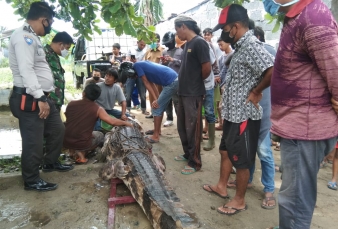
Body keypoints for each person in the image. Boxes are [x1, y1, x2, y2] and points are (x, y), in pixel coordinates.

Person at [262, 0, 338, 228]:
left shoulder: (313, 16)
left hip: (306, 129)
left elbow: (334, 68)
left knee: (295, 200)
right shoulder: (298, 15)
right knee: (295, 193)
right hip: (299, 125)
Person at [203, 4, 274, 215]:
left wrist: (256, 91)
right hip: (232, 114)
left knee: (241, 160)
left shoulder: (251, 45)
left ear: (234, 27)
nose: (224, 33)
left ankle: (239, 200)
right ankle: (222, 186)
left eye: (225, 29)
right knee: (225, 150)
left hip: (243, 115)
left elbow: (272, 70)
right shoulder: (241, 48)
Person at [8, 2, 73, 192]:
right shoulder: (24, 37)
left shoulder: (33, 37)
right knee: (33, 141)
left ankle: (50, 162)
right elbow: (26, 70)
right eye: (50, 22)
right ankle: (31, 179)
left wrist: (45, 97)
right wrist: (40, 98)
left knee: (57, 129)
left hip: (43, 97)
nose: (50, 26)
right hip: (30, 98)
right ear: (44, 20)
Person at [173, 16, 211, 175]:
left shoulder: (200, 43)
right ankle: (187, 153)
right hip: (183, 92)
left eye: (177, 30)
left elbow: (206, 68)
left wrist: (195, 82)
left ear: (183, 26)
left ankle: (195, 162)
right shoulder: (187, 44)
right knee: (182, 126)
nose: (176, 34)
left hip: (193, 93)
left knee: (192, 128)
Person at [64, 84, 132, 164]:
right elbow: (112, 121)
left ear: (83, 93)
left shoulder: (71, 104)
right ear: (97, 97)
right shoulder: (97, 109)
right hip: (82, 143)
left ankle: (71, 152)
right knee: (99, 135)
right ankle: (82, 155)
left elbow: (69, 118)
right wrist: (126, 123)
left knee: (77, 132)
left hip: (66, 140)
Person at [125, 61, 178, 143]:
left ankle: (156, 136)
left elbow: (146, 83)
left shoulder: (136, 66)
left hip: (172, 81)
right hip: (173, 78)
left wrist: (156, 100)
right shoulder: (142, 65)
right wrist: (157, 98)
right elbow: (151, 83)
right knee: (158, 105)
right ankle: (157, 130)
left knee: (156, 108)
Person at [44, 31, 74, 111]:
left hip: (55, 102)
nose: (67, 51)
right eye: (67, 48)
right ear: (61, 44)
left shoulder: (54, 56)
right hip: (47, 101)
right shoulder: (44, 54)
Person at [161, 32, 185, 127]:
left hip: (176, 80)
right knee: (167, 100)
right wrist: (163, 62)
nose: (166, 44)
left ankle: (180, 119)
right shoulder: (164, 52)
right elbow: (162, 66)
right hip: (166, 80)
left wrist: (173, 60)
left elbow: (184, 63)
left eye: (168, 42)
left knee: (177, 101)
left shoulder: (181, 51)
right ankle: (169, 118)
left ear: (172, 41)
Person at [202, 28, 219, 151]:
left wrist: (217, 76)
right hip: (197, 85)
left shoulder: (208, 46)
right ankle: (200, 135)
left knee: (209, 111)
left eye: (208, 34)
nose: (206, 36)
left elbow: (214, 63)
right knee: (199, 111)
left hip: (207, 84)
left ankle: (212, 140)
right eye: (205, 34)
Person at [143, 33, 165, 119]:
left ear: (158, 41)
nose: (151, 42)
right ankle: (153, 113)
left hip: (159, 78)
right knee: (151, 95)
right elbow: (145, 63)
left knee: (159, 96)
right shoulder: (148, 51)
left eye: (153, 40)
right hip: (150, 78)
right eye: (150, 40)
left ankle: (159, 114)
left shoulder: (163, 50)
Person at [126, 40, 148, 115]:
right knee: (128, 93)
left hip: (140, 74)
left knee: (142, 93)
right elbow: (127, 59)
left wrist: (136, 62)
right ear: (137, 42)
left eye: (144, 45)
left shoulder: (145, 52)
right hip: (131, 73)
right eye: (141, 44)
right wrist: (129, 60)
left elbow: (145, 63)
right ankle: (128, 108)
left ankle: (144, 109)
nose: (142, 46)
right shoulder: (131, 49)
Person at [215, 37, 233, 130]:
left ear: (228, 43)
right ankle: (222, 124)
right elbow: (220, 71)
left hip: (228, 84)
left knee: (224, 106)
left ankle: (226, 127)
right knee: (219, 106)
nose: (220, 47)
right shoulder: (221, 57)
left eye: (221, 44)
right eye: (219, 45)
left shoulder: (233, 54)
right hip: (221, 84)